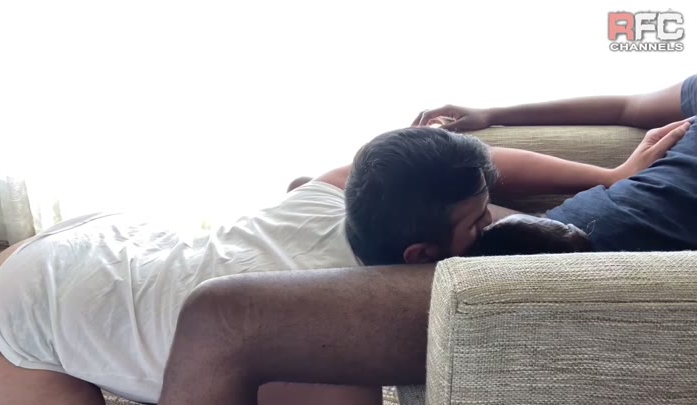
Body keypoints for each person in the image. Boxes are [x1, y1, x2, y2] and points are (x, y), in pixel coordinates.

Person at [158, 73, 697, 405]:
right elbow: (627, 107)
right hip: (556, 224)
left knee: (222, 318)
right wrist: (495, 114)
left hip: (585, 265)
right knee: (333, 188)